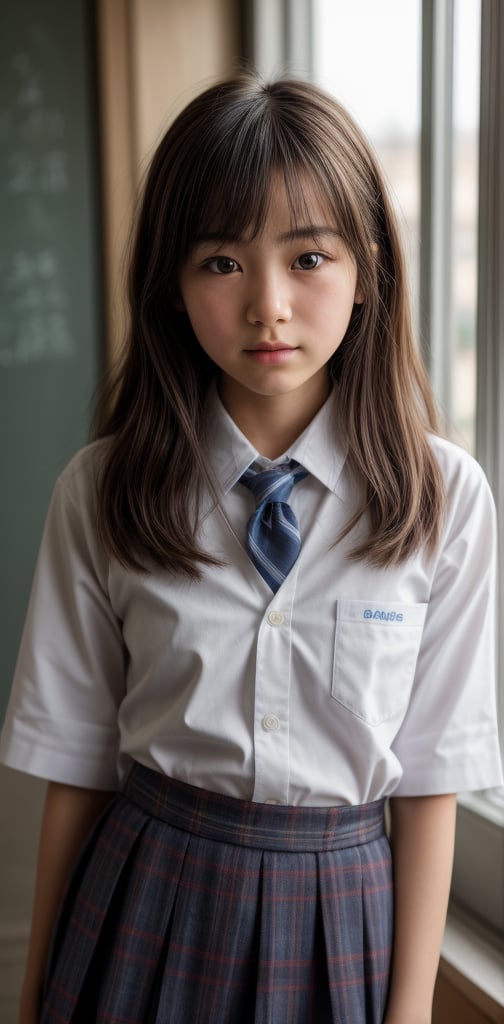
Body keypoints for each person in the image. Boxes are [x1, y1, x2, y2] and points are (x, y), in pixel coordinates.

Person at [1, 74, 502, 1024]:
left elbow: (433, 783)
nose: (267, 305)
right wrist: (31, 997)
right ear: (173, 287)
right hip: (143, 897)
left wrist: (409, 1014)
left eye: (309, 256)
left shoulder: (446, 501)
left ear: (369, 275)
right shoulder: (102, 490)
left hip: (344, 919)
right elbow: (75, 767)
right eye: (221, 263)